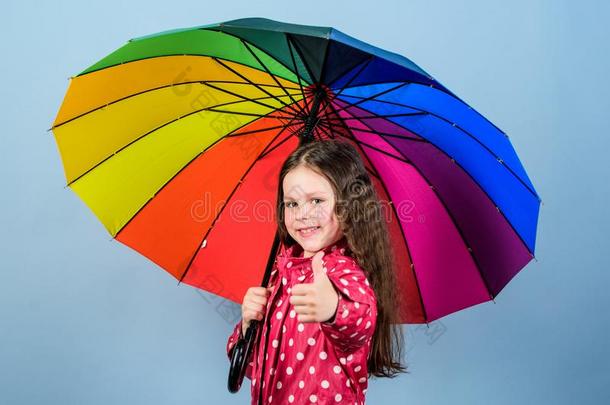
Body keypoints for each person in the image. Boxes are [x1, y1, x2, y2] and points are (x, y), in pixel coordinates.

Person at [227, 140, 406, 404]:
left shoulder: (343, 271)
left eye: (317, 200)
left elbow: (361, 321)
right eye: (292, 204)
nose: (302, 214)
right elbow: (253, 368)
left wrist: (335, 310)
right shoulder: (280, 273)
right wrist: (247, 326)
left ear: (349, 204)